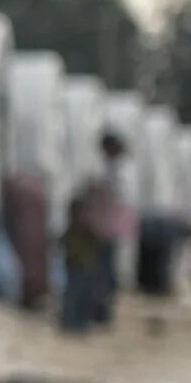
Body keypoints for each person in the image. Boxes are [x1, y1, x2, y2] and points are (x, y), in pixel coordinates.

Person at [61, 130, 135, 334]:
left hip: (103, 232)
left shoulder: (118, 172)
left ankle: (92, 316)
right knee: (93, 277)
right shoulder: (101, 172)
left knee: (101, 276)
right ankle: (85, 317)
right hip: (95, 234)